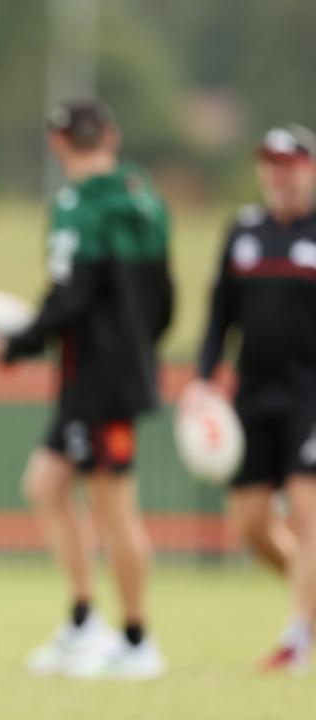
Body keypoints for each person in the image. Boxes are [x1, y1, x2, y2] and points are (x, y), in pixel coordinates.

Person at [0, 100, 173, 679]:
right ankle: (85, 622)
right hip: (105, 376)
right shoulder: (147, 200)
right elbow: (165, 301)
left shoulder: (76, 207)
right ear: (110, 136)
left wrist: (16, 345)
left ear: (59, 143)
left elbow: (71, 296)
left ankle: (138, 640)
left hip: (98, 382)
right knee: (45, 486)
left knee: (115, 508)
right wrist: (139, 348)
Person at [190, 124, 316, 673]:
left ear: (309, 168)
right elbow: (221, 313)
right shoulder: (244, 232)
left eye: (290, 162)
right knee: (250, 522)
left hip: (312, 394)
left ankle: (298, 636)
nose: (279, 172)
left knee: (309, 510)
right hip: (255, 394)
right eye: (270, 162)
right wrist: (203, 375)